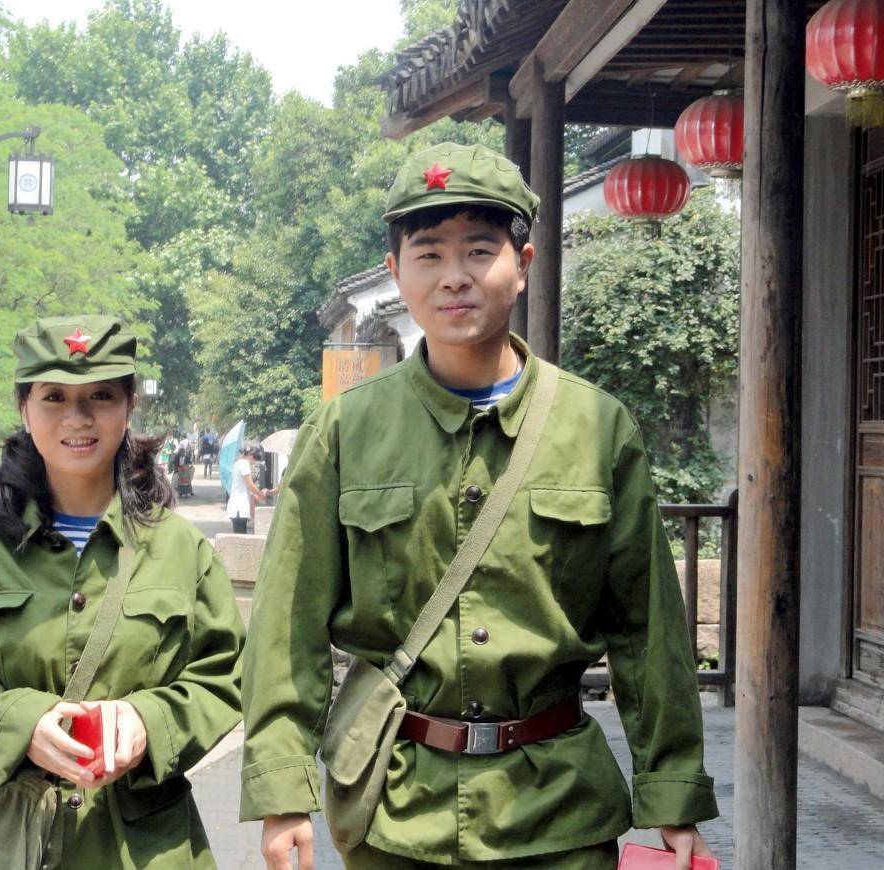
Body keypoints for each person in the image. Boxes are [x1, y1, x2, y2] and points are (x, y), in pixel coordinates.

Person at [239, 143, 718, 870]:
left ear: (523, 263)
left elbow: (647, 629)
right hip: (396, 812)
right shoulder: (345, 431)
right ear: (397, 273)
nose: (454, 276)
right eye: (428, 254)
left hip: (558, 810)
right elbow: (288, 623)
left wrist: (673, 794)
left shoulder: (594, 427)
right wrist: (282, 793)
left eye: (479, 250)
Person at [0, 315, 245, 869]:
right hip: (0, 840)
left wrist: (150, 723)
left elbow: (225, 676)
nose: (78, 418)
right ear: (23, 408)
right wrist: (18, 725)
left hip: (142, 847)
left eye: (101, 396)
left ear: (130, 405)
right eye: (55, 396)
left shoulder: (181, 550)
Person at [225, 446, 266, 534]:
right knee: (240, 537)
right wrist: (260, 494)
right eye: (254, 460)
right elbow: (250, 485)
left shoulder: (237, 463)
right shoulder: (244, 463)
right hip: (239, 507)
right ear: (251, 457)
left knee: (239, 535)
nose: (253, 463)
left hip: (237, 507)